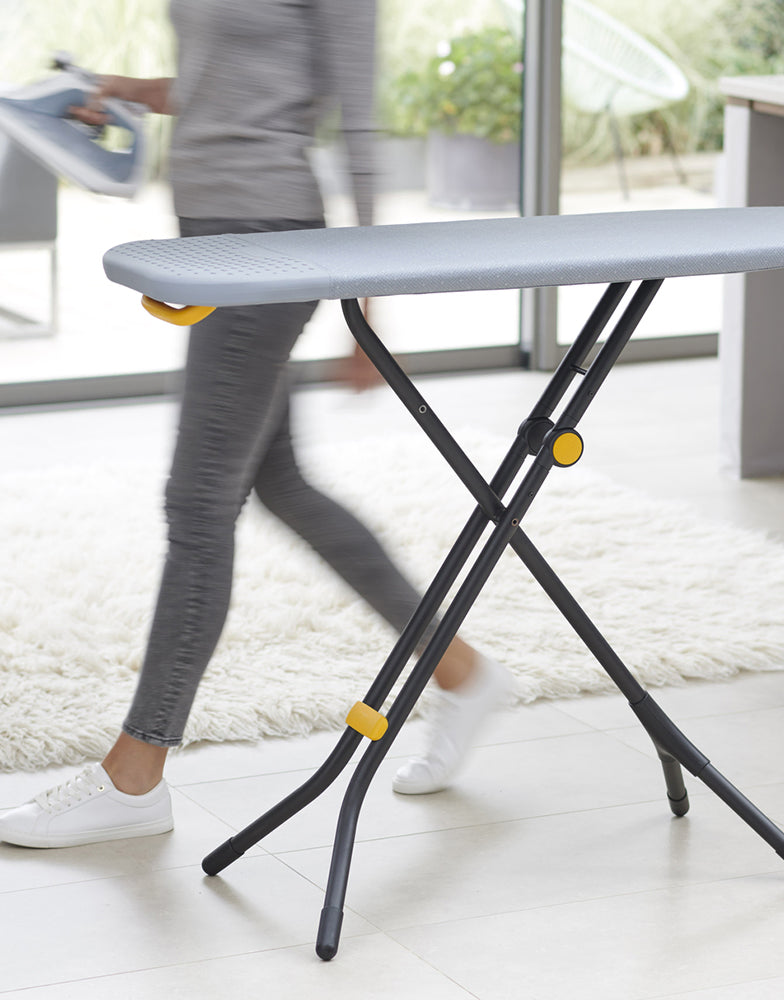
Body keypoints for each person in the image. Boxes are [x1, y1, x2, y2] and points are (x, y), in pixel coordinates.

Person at [0, 0, 510, 850]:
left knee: (197, 506)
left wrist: (368, 300)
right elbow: (222, 88)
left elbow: (360, 120)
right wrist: (117, 90)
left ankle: (135, 775)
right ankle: (462, 673)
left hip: (269, 240)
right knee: (280, 483)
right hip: (207, 236)